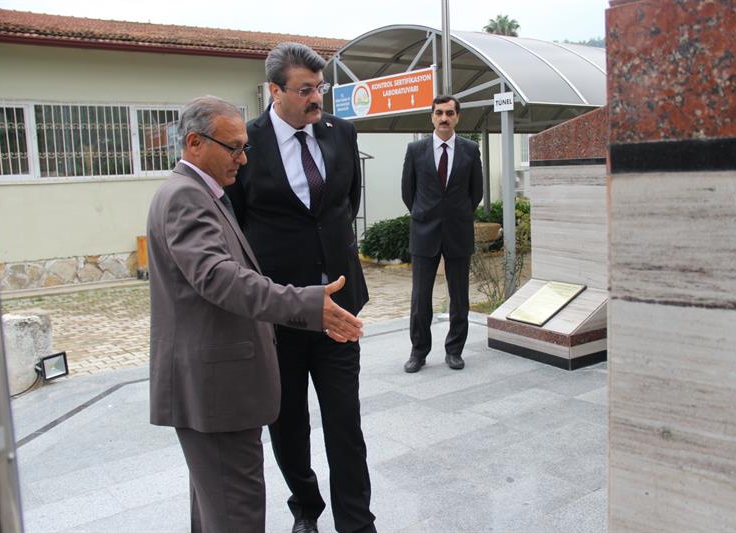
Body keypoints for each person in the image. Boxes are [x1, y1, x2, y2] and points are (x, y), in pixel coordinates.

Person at [147, 95, 363, 533]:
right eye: (233, 148)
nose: (243, 159)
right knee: (236, 514)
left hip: (214, 389)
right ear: (194, 143)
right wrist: (306, 304)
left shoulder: (201, 194)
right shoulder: (186, 197)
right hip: (218, 391)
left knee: (217, 512)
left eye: (244, 147)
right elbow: (219, 278)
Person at [225, 43, 375, 533]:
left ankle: (356, 522)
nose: (316, 98)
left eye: (320, 87)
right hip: (280, 313)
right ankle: (306, 508)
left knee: (345, 423)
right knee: (288, 424)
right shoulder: (246, 143)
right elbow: (236, 225)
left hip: (339, 309)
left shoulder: (341, 133)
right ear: (275, 90)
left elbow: (344, 207)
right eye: (305, 89)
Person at [401, 95, 484, 373]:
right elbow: (408, 192)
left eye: (449, 113)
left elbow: (476, 192)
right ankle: (418, 352)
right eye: (439, 113)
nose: (444, 118)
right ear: (432, 117)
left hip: (458, 231)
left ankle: (455, 351)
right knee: (420, 297)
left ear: (457, 117)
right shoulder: (416, 150)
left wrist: (457, 214)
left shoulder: (470, 150)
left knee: (459, 296)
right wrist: (425, 213)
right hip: (424, 231)